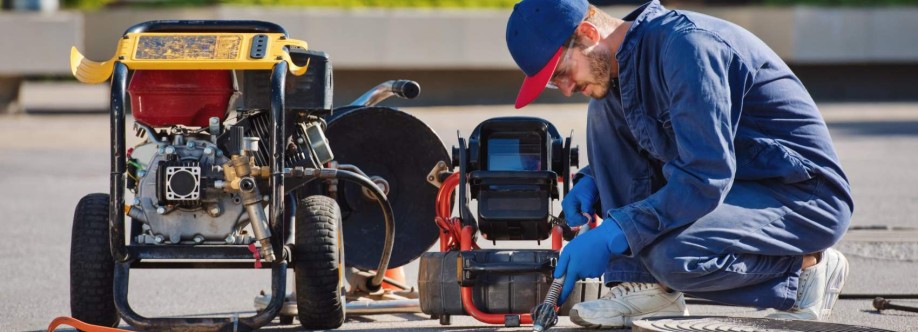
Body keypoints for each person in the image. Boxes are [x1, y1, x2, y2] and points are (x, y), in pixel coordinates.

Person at [505, 0, 853, 328]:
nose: (565, 89)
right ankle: (645, 289)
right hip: (735, 186)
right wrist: (594, 179)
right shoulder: (621, 68)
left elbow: (706, 176)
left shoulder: (687, 48)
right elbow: (659, 140)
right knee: (602, 103)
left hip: (801, 195)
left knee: (673, 256)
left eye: (562, 72)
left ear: (590, 34)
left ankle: (808, 269)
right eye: (553, 83)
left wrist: (620, 230)